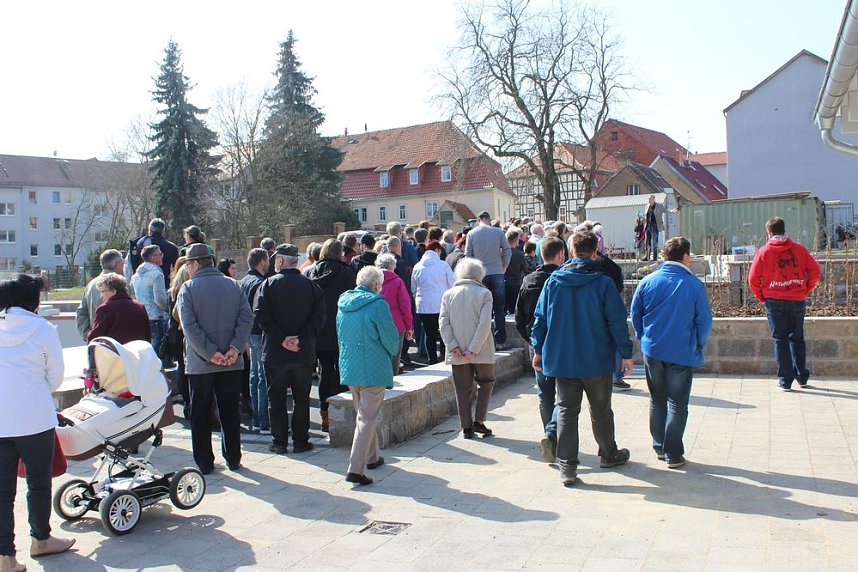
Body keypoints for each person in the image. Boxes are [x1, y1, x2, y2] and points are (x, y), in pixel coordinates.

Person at [531, 231, 634, 487]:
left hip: (563, 358)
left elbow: (540, 319)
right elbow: (617, 321)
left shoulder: (554, 282)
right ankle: (609, 453)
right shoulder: (603, 283)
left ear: (571, 252)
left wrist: (538, 349)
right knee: (600, 409)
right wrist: (626, 352)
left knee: (566, 409)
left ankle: (567, 466)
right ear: (595, 252)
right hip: (595, 357)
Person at [0, 275, 75, 572]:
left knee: (3, 492)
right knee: (38, 482)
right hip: (34, 417)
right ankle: (41, 539)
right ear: (33, 300)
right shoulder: (43, 329)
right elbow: (55, 377)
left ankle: (6, 557)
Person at [631, 237, 713, 469]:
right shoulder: (693, 284)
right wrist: (698, 344)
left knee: (657, 399)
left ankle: (659, 445)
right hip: (681, 349)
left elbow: (635, 313)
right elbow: (704, 320)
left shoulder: (647, 281)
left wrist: (643, 336)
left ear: (663, 255)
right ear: (686, 257)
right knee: (677, 403)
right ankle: (674, 453)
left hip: (653, 348)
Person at [177, 244, 254, 474]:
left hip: (201, 363)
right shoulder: (233, 285)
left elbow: (189, 327)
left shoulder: (188, 289)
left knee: (200, 412)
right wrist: (234, 348)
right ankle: (233, 457)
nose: (187, 270)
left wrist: (211, 353)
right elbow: (246, 318)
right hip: (231, 362)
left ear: (196, 264)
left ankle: (204, 462)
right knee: (230, 410)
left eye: (188, 265)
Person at [255, 244, 325, 454]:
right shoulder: (311, 287)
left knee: (276, 400)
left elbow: (260, 315)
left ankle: (279, 441)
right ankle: (301, 440)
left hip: (276, 353)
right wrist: (299, 339)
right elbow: (319, 318)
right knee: (301, 399)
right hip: (302, 353)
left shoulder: (268, 285)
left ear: (281, 261)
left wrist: (282, 339)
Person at [337, 266, 400, 486]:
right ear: (376, 285)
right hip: (373, 367)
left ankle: (373, 457)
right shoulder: (378, 304)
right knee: (367, 418)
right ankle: (355, 468)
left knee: (363, 414)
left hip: (350, 365)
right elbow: (390, 336)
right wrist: (393, 352)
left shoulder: (343, 303)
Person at [748, 217, 821, 391]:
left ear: (769, 232)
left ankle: (785, 380)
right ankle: (801, 376)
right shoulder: (799, 250)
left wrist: (762, 296)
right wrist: (805, 289)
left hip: (774, 300)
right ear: (784, 230)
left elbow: (752, 279)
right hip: (797, 298)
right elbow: (815, 271)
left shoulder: (763, 252)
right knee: (797, 338)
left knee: (780, 340)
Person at [515, 237, 566, 462]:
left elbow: (519, 317)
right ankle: (553, 435)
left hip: (537, 345)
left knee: (544, 394)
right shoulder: (562, 280)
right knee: (565, 394)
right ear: (560, 255)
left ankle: (549, 434)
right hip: (561, 345)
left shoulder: (528, 280)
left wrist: (531, 340)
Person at [440, 259, 496, 439]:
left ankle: (466, 426)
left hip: (457, 350)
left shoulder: (448, 294)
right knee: (486, 383)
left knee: (462, 388)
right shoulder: (484, 294)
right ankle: (479, 421)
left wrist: (453, 345)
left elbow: (443, 323)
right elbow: (485, 323)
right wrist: (474, 348)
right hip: (481, 350)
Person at [307, 240, 354, 433]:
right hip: (340, 327)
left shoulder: (311, 272)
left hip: (318, 329)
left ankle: (325, 415)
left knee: (324, 372)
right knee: (343, 370)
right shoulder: (345, 272)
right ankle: (341, 415)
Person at [465, 211, 512, 349]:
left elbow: (468, 255)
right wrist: (504, 266)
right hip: (497, 272)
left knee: (480, 310)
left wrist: (473, 273)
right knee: (499, 309)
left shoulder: (472, 233)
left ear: (478, 220)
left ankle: (482, 342)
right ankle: (500, 341)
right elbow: (507, 251)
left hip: (480, 275)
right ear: (488, 219)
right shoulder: (498, 232)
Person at [239, 248, 270, 434]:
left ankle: (258, 419)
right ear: (261, 262)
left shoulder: (242, 282)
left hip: (247, 333)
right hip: (259, 333)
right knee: (262, 378)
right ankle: (263, 420)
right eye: (267, 260)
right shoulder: (261, 283)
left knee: (254, 376)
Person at [411, 240, 456, 364]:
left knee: (429, 334)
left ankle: (432, 359)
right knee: (444, 331)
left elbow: (414, 287)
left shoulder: (417, 266)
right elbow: (452, 284)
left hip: (424, 305)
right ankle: (444, 355)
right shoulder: (443, 265)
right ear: (437, 250)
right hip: (441, 303)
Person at [76, 249, 129, 341]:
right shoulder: (122, 283)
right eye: (123, 262)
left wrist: (88, 335)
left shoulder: (91, 284)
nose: (124, 265)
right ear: (117, 264)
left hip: (97, 340)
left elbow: (81, 312)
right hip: (118, 341)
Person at [131, 244, 171, 360]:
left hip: (142, 316)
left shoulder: (136, 275)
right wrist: (168, 309)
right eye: (160, 254)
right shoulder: (157, 274)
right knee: (158, 351)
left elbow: (133, 294)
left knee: (146, 350)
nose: (162, 256)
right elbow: (159, 298)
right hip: (156, 316)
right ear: (153, 257)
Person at [88, 273, 151, 344]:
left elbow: (94, 337)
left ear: (114, 291)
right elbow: (147, 336)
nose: (101, 296)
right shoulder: (140, 307)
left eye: (103, 291)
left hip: (115, 353)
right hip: (137, 352)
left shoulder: (105, 309)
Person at [376, 253, 413, 375]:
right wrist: (409, 327)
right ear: (392, 266)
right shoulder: (397, 282)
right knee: (394, 356)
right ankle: (392, 382)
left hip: (377, 323)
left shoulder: (373, 281)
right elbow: (405, 306)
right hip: (396, 324)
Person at [134, 218, 179, 287]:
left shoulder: (140, 243)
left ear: (150, 230)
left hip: (142, 285)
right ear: (163, 231)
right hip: (164, 284)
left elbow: (134, 263)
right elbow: (177, 269)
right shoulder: (172, 247)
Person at [503, 230, 528, 315]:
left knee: (503, 310)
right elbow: (525, 268)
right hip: (516, 283)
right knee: (514, 310)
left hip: (503, 283)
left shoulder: (501, 253)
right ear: (515, 240)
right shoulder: (519, 254)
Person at [642, 194, 666, 261]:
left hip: (655, 225)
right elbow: (646, 215)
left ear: (653, 199)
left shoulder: (659, 206)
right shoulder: (647, 206)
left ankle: (655, 257)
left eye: (650, 199)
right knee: (647, 241)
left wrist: (673, 211)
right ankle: (647, 256)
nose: (649, 200)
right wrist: (643, 219)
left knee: (655, 242)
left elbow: (666, 210)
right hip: (648, 225)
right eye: (648, 199)